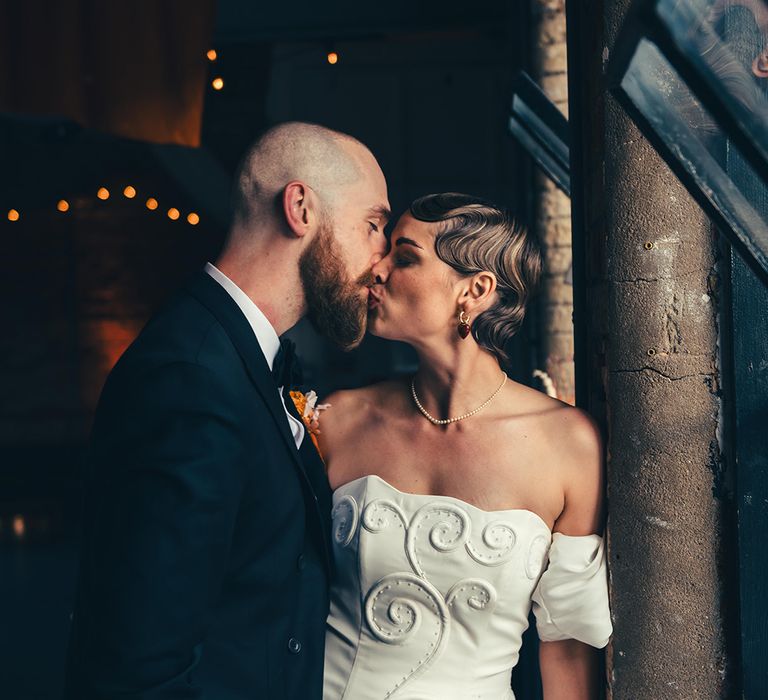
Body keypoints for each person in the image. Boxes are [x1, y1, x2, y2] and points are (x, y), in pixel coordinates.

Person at [64, 122, 390, 700]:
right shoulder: (188, 377)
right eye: (373, 225)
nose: (381, 259)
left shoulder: (244, 356)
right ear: (300, 208)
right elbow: (143, 668)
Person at [319, 193, 612, 700]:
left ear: (474, 291)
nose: (377, 269)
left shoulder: (568, 444)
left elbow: (566, 648)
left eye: (404, 257)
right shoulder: (339, 420)